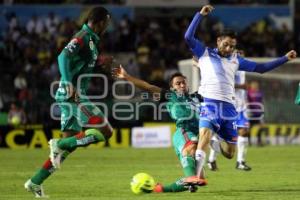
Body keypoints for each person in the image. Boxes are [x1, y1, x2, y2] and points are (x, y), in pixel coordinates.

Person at [184, 4, 297, 184]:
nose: (229, 48)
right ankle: (196, 178)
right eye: (226, 44)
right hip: (209, 104)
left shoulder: (236, 60)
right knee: (204, 134)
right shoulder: (204, 53)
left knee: (229, 153)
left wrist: (284, 58)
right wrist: (200, 15)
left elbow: (261, 68)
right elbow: (188, 37)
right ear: (219, 40)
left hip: (230, 108)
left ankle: (215, 142)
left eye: (232, 46)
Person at [24, 7, 113, 197]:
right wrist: (68, 81)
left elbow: (80, 63)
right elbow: (63, 56)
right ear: (101, 21)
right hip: (73, 94)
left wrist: (99, 63)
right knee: (105, 131)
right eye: (108, 21)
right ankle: (58, 144)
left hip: (70, 94)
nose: (108, 25)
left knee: (69, 144)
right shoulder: (83, 35)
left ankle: (35, 182)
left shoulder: (93, 41)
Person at [113, 65, 206, 193]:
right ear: (172, 87)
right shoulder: (170, 96)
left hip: (198, 135)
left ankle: (159, 188)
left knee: (199, 178)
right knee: (191, 151)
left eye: (183, 82)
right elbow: (148, 87)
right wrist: (127, 77)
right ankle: (190, 177)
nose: (182, 85)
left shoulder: (197, 97)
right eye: (178, 84)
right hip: (184, 132)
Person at [207, 70, 252, 171]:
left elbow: (244, 87)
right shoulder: (229, 68)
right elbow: (225, 84)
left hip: (242, 107)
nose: (240, 54)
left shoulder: (243, 70)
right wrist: (241, 86)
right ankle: (211, 160)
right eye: (238, 53)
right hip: (230, 107)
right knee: (222, 135)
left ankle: (240, 162)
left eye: (241, 53)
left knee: (244, 132)